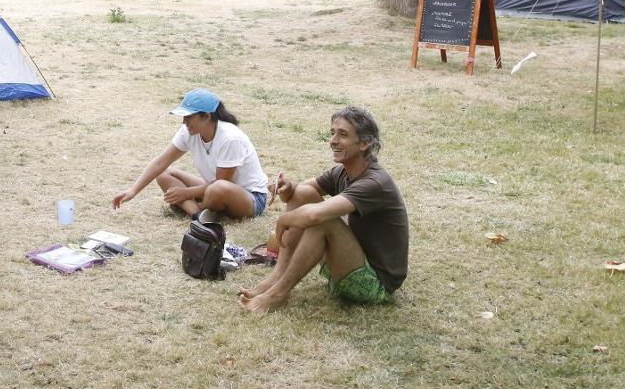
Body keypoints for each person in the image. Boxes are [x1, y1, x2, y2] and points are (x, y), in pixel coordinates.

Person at [238, 106, 408, 313]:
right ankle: (275, 278)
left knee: (322, 221)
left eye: (343, 134)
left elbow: (314, 214)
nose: (333, 140)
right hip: (352, 263)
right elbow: (300, 194)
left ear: (364, 143)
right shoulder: (342, 172)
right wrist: (288, 187)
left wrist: (284, 221)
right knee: (304, 195)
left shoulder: (375, 182)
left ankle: (278, 294)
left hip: (375, 284)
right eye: (333, 133)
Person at [112, 88, 273, 221]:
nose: (184, 122)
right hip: (212, 187)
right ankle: (198, 215)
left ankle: (198, 207)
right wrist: (132, 191)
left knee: (217, 189)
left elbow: (221, 183)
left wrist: (186, 193)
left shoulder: (231, 138)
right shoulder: (188, 132)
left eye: (189, 117)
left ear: (207, 116)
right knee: (164, 174)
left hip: (250, 197)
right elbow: (161, 162)